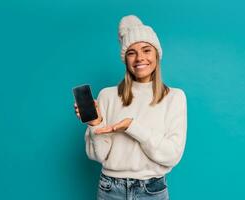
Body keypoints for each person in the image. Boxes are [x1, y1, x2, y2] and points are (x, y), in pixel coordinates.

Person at [74, 14, 187, 200]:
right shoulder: (107, 95)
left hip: (152, 189)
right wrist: (95, 124)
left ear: (156, 55)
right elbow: (98, 155)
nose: (139, 58)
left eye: (146, 50)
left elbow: (171, 155)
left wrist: (132, 127)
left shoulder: (174, 97)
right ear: (125, 59)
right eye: (131, 52)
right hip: (110, 189)